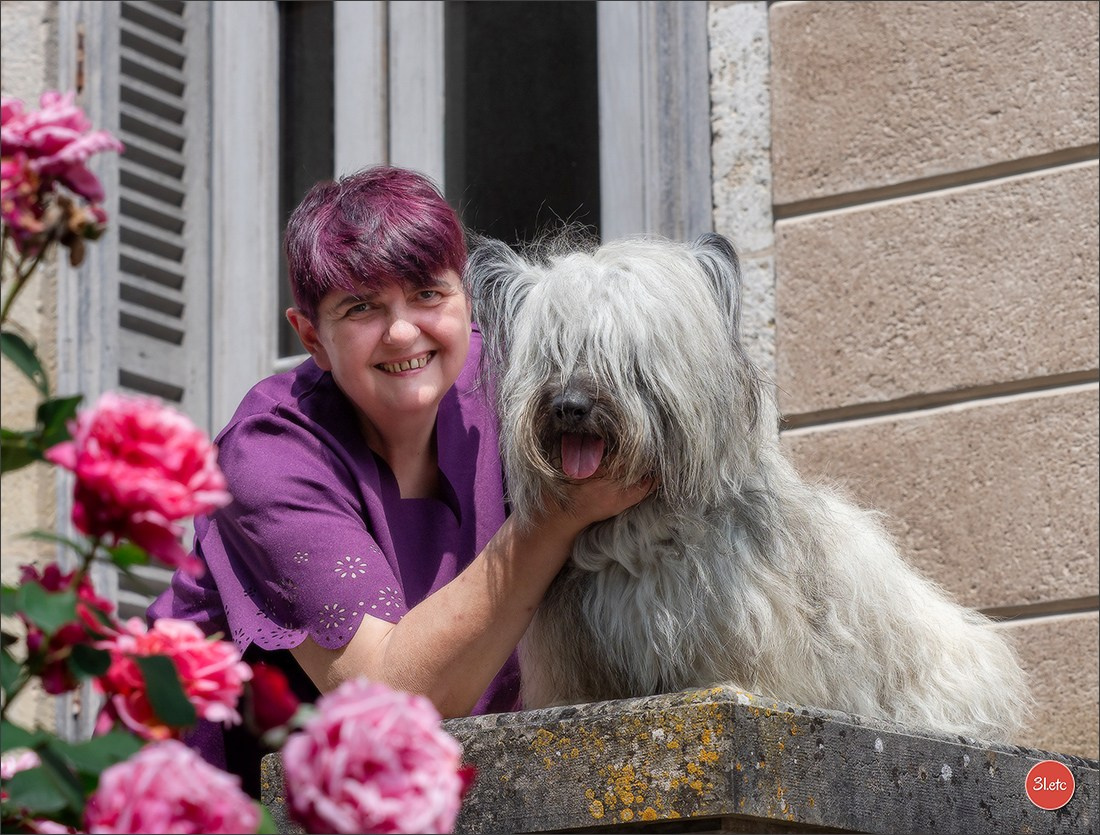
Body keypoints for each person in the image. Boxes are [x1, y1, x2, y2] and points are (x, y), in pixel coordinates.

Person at [147, 165, 652, 795]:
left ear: (467, 299)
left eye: (428, 295)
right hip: (211, 799)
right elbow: (391, 697)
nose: (404, 331)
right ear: (312, 337)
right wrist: (553, 519)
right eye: (361, 307)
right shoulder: (269, 453)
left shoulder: (520, 388)